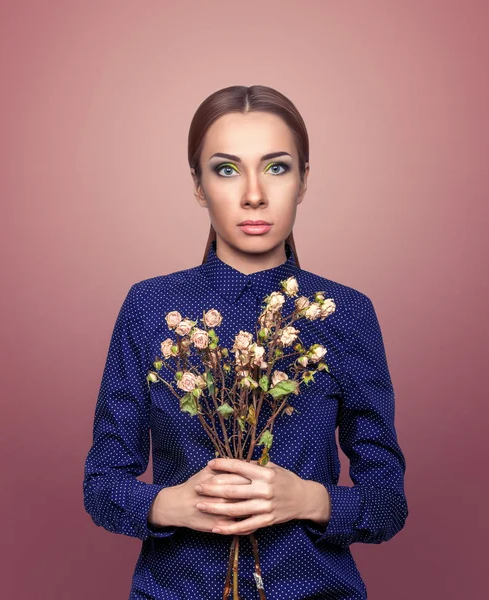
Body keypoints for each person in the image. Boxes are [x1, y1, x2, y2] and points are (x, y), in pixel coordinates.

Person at [83, 85, 408, 599]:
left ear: (303, 181)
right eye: (227, 169)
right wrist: (168, 505)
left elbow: (388, 502)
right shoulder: (150, 307)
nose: (254, 193)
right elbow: (102, 484)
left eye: (277, 167)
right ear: (197, 184)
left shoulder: (345, 313)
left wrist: (308, 500)